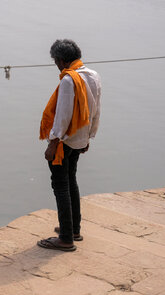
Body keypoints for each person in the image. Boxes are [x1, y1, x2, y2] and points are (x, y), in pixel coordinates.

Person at [37, 39, 101, 251]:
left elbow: (63, 116)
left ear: (62, 60)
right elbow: (95, 111)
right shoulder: (93, 75)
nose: (55, 64)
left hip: (64, 142)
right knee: (70, 180)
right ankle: (74, 228)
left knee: (60, 185)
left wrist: (52, 143)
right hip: (80, 139)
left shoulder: (68, 80)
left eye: (55, 61)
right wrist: (89, 136)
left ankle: (65, 238)